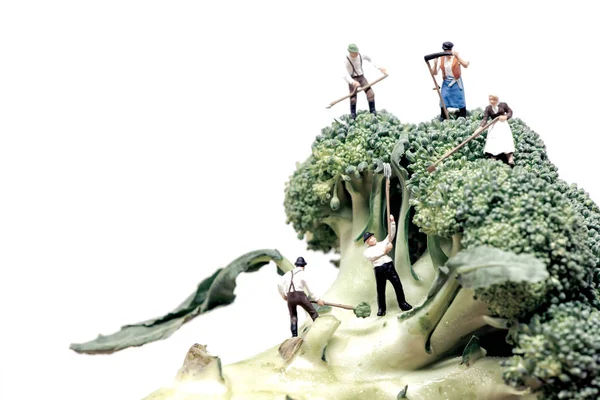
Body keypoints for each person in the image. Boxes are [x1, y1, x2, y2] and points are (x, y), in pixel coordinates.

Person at [363, 215, 412, 316]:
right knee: (381, 290)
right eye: (370, 239)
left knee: (398, 285)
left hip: (389, 266)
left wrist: (392, 222)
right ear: (367, 242)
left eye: (373, 237)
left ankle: (403, 304)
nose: (373, 239)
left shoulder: (383, 243)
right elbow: (372, 257)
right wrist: (385, 251)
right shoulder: (367, 251)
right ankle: (381, 309)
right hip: (379, 269)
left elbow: (391, 235)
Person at [278, 257, 325, 337]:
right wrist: (317, 300)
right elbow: (310, 289)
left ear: (296, 265)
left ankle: (294, 336)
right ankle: (319, 331)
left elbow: (279, 284)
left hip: (290, 297)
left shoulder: (288, 274)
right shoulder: (303, 274)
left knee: (293, 317)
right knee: (313, 314)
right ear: (303, 266)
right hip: (300, 296)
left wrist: (284, 296)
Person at [344, 43, 387, 119]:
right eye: (354, 52)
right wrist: (352, 82)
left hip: (362, 78)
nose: (356, 53)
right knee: (353, 98)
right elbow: (344, 74)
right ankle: (353, 115)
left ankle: (373, 111)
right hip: (352, 79)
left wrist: (380, 67)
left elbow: (371, 60)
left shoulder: (361, 55)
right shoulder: (346, 60)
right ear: (350, 52)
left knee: (370, 94)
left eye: (357, 51)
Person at [432, 42, 470, 120]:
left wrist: (457, 56)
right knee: (444, 98)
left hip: (456, 81)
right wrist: (435, 64)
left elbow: (466, 65)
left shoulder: (455, 57)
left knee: (460, 98)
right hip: (446, 82)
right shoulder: (442, 59)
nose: (447, 52)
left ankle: (462, 114)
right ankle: (444, 115)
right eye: (445, 51)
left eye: (448, 50)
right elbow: (434, 73)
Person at [477, 95, 516, 166]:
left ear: (497, 99)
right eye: (490, 100)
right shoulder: (488, 108)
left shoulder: (503, 105)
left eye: (494, 100)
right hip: (493, 127)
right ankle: (493, 156)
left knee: (505, 140)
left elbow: (510, 112)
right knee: (493, 141)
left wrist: (505, 116)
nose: (492, 101)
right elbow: (485, 119)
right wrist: (480, 128)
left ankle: (509, 157)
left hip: (503, 126)